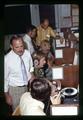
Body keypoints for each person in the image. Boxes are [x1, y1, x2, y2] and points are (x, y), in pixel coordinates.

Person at [4, 35, 35, 111]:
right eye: (17, 47)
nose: (20, 49)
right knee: (18, 111)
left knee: (27, 109)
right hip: (15, 90)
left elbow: (31, 67)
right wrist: (6, 95)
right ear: (11, 46)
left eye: (21, 46)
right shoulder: (6, 59)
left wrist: (32, 75)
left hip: (27, 87)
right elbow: (5, 79)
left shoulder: (27, 53)